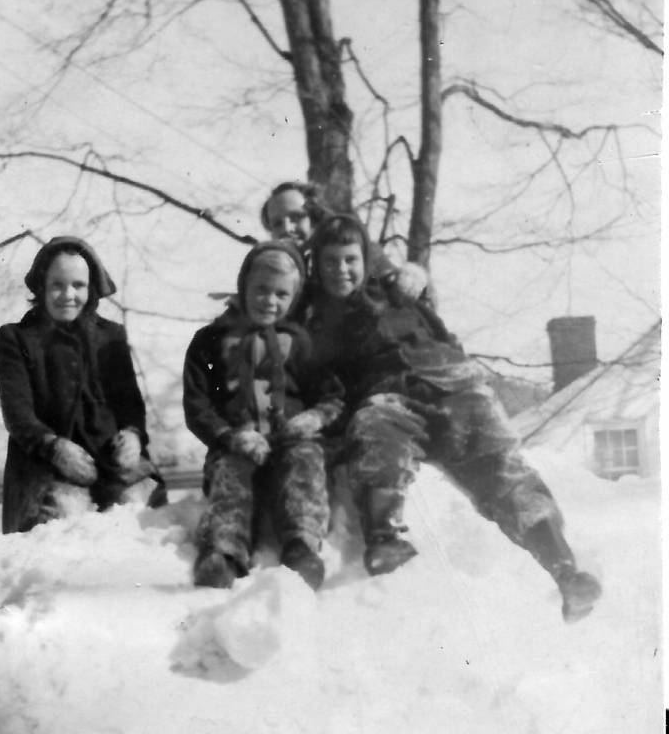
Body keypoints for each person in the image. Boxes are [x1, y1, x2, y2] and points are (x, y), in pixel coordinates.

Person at [305, 212, 602, 622]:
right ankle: (384, 538)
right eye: (330, 262)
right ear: (316, 267)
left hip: (454, 388)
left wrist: (414, 282)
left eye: (350, 259)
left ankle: (564, 569)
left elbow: (443, 335)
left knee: (504, 467)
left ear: (365, 260)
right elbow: (324, 384)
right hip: (391, 398)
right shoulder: (318, 321)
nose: (341, 270)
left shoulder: (397, 294)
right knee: (375, 432)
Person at [183, 241, 343, 591]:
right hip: (237, 440)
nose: (270, 301)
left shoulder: (302, 343)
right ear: (244, 286)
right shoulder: (211, 340)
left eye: (281, 294)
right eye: (261, 290)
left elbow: (333, 395)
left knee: (305, 462)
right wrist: (230, 435)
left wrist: (314, 417)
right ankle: (223, 553)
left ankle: (301, 545)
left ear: (294, 297)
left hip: (291, 439)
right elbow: (198, 406)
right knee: (231, 476)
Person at [0, 236, 166, 534]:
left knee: (141, 512)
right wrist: (55, 447)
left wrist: (133, 435)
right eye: (57, 285)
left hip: (110, 461)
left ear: (92, 288)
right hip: (45, 464)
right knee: (63, 522)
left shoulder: (111, 336)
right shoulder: (17, 338)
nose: (67, 294)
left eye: (78, 285)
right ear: (42, 287)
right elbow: (18, 415)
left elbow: (129, 404)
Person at [261, 180, 431, 307]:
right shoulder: (271, 270)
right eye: (277, 224)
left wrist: (409, 280)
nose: (287, 228)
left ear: (314, 216)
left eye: (296, 217)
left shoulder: (349, 250)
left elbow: (404, 286)